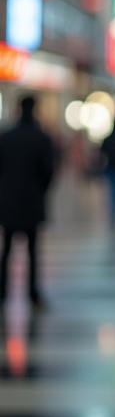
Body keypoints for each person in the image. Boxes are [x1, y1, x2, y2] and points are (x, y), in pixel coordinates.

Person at [0, 95, 54, 310]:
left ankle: (2, 291)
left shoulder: (5, 137)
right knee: (32, 250)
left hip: (9, 201)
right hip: (32, 201)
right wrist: (40, 191)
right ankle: (33, 293)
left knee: (7, 249)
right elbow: (48, 172)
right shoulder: (41, 138)